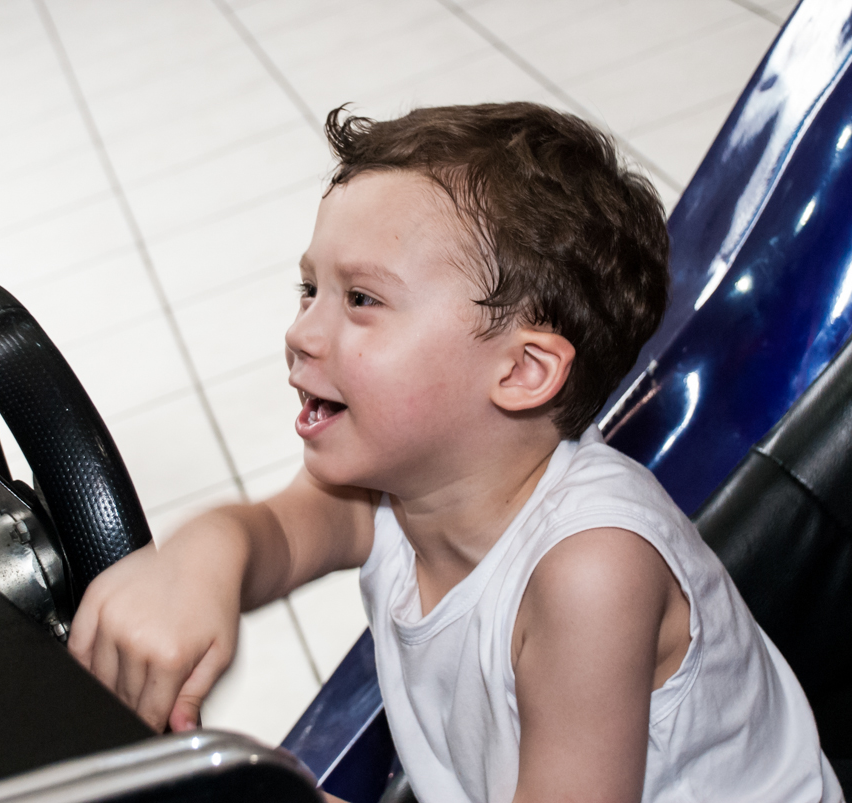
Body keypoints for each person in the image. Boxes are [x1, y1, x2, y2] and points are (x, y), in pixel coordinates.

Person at [67, 103, 842, 802]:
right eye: (310, 290)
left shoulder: (592, 571)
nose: (300, 333)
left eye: (361, 299)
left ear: (521, 371)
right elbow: (268, 533)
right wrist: (200, 561)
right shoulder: (391, 488)